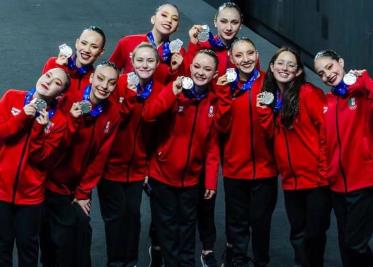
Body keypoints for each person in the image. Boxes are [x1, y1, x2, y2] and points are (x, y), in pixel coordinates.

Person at [143, 49, 220, 267]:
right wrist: (171, 93)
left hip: (192, 180)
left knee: (187, 230)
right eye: (196, 66)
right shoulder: (174, 89)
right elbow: (149, 114)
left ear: (215, 74)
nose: (201, 72)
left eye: (207, 69)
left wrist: (211, 180)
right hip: (162, 176)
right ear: (189, 66)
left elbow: (213, 146)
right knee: (167, 231)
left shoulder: (213, 102)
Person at [40, 62, 121, 267]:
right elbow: (55, 144)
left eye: (111, 83)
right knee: (52, 238)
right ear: (92, 78)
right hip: (50, 182)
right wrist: (72, 121)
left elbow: (100, 158)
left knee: (79, 234)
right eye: (101, 79)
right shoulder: (68, 100)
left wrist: (83, 192)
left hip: (77, 188)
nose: (104, 86)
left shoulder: (113, 113)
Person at [257, 47, 331, 267]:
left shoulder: (308, 93)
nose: (285, 68)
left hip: (317, 180)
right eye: (280, 63)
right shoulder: (273, 99)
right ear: (271, 67)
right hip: (291, 181)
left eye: (291, 65)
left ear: (299, 71)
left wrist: (324, 170)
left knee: (314, 235)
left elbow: (326, 133)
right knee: (297, 235)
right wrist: (264, 111)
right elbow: (270, 135)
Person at [186, 3, 243, 265]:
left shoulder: (244, 52)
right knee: (194, 185)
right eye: (224, 21)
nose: (229, 27)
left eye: (234, 22)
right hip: (203, 119)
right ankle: (196, 246)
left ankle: (223, 246)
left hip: (231, 125)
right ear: (216, 22)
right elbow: (190, 70)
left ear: (240, 24)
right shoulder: (202, 45)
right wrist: (193, 44)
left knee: (224, 191)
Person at [98, 43, 165, 267]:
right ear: (131, 60)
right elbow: (112, 121)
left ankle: (132, 262)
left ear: (157, 63)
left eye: (149, 61)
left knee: (133, 217)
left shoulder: (159, 89)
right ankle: (116, 263)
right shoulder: (119, 84)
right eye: (140, 60)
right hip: (111, 168)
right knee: (115, 219)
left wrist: (147, 167)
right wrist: (130, 95)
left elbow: (157, 132)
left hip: (137, 169)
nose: (144, 65)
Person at [214, 38, 278, 267]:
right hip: (235, 169)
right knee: (237, 225)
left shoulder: (270, 82)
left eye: (250, 53)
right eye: (239, 55)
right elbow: (220, 127)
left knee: (261, 224)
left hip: (266, 170)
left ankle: (261, 262)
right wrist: (222, 94)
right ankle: (237, 261)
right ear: (231, 59)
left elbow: (277, 128)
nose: (245, 59)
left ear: (257, 54)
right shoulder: (224, 85)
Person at [0, 68, 70, 267]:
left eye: (57, 82)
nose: (49, 81)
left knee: (28, 250)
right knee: (2, 248)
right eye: (48, 76)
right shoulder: (13, 97)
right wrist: (23, 116)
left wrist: (39, 129)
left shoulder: (59, 121)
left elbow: (41, 159)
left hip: (30, 198)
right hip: (1, 191)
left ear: (61, 94)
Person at [314, 49, 373, 267]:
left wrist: (365, 80)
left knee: (355, 243)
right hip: (337, 188)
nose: (327, 74)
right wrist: (326, 174)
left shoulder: (362, 94)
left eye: (330, 67)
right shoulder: (327, 103)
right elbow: (323, 144)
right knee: (345, 245)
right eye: (321, 73)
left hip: (363, 184)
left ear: (341, 62)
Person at [109, 3, 184, 84]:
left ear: (177, 28)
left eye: (174, 19)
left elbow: (176, 87)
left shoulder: (178, 54)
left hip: (158, 96)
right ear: (153, 19)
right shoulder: (127, 42)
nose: (169, 20)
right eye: (164, 15)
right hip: (127, 95)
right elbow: (109, 72)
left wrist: (174, 70)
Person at [42, 26, 106, 94]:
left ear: (101, 52)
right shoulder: (53, 63)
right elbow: (42, 96)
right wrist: (59, 67)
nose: (87, 50)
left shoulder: (96, 81)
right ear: (77, 43)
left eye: (94, 47)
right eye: (83, 43)